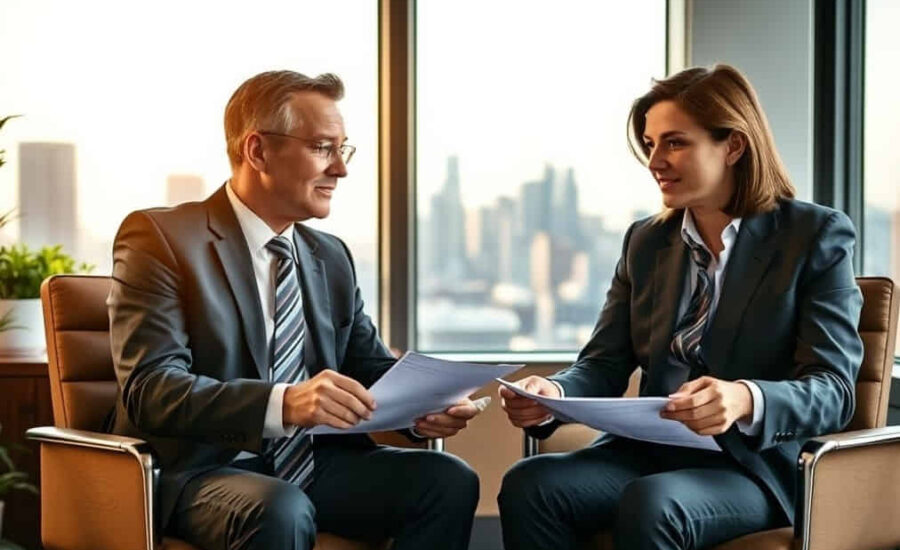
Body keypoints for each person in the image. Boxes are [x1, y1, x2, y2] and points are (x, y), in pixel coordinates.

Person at [107, 70, 480, 550]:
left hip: (312, 463)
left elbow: (368, 371)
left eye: (342, 151)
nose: (340, 170)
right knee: (280, 507)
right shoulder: (161, 239)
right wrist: (284, 403)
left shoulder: (331, 256)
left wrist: (424, 408)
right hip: (204, 470)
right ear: (257, 150)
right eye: (323, 148)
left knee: (446, 479)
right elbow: (151, 389)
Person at [497, 64, 863, 550]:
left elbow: (834, 390)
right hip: (648, 453)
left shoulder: (813, 236)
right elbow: (604, 364)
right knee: (532, 486)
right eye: (650, 144)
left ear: (733, 145)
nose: (655, 160)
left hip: (750, 466)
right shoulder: (646, 242)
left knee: (653, 503)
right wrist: (552, 392)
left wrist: (744, 398)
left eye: (675, 142)